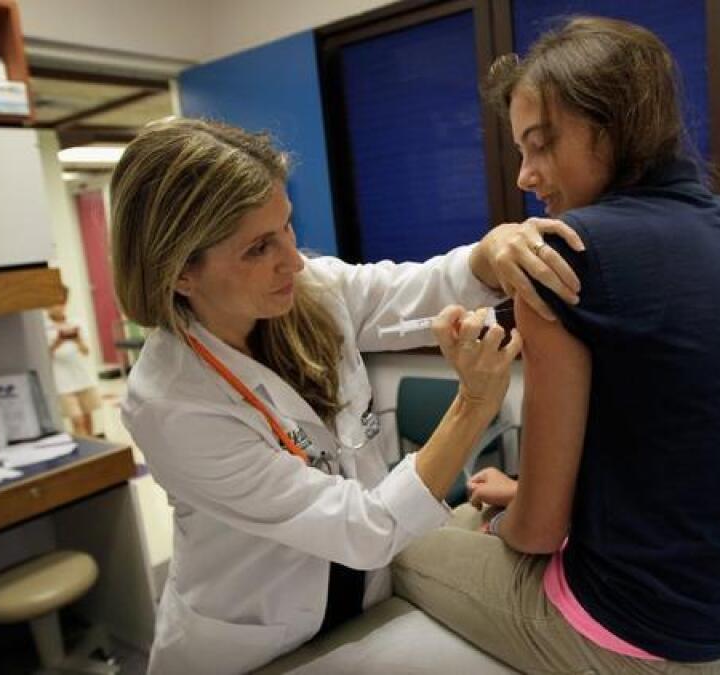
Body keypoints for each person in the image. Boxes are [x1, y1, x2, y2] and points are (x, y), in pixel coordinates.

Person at [392, 17, 720, 674]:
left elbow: (538, 531)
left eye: (541, 144)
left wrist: (511, 516)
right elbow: (670, 435)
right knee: (485, 504)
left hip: (636, 635)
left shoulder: (559, 253)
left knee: (394, 544)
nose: (525, 174)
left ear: (609, 125)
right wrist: (525, 487)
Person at [108, 118, 586, 674]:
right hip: (252, 644)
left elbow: (412, 289)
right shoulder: (171, 404)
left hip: (364, 608)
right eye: (259, 247)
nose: (291, 258)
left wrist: (488, 253)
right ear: (180, 274)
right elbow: (365, 528)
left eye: (286, 226)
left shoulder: (306, 291)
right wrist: (473, 405)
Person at [45, 288, 102, 437]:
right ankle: (87, 453)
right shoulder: (43, 327)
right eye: (54, 303)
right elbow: (44, 356)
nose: (59, 306)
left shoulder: (76, 322)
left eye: (62, 302)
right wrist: (57, 342)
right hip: (62, 382)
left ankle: (94, 452)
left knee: (88, 420)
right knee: (78, 420)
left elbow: (86, 351)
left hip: (82, 377)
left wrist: (78, 340)